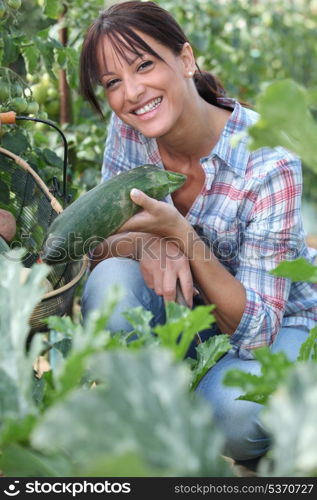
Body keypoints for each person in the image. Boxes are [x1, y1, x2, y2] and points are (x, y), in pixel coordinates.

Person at [79, 0, 317, 463]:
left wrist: (179, 234)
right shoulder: (131, 129)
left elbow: (257, 333)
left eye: (144, 65)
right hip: (196, 315)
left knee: (232, 415)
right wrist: (147, 240)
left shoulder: (270, 164)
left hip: (277, 324)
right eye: (112, 83)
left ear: (186, 59)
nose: (130, 93)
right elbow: (100, 240)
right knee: (110, 286)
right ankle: (161, 418)